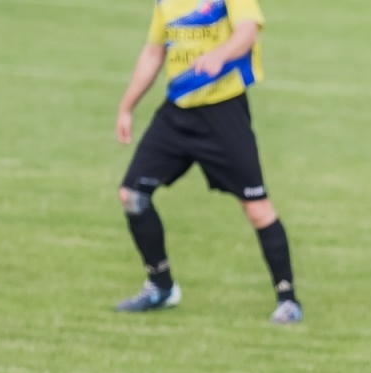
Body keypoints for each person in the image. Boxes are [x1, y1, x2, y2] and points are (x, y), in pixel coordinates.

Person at [113, 0, 302, 323]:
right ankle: (161, 287)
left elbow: (247, 31)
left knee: (257, 208)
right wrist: (127, 107)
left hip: (223, 114)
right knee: (132, 196)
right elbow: (153, 52)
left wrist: (220, 54)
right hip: (177, 115)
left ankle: (288, 300)